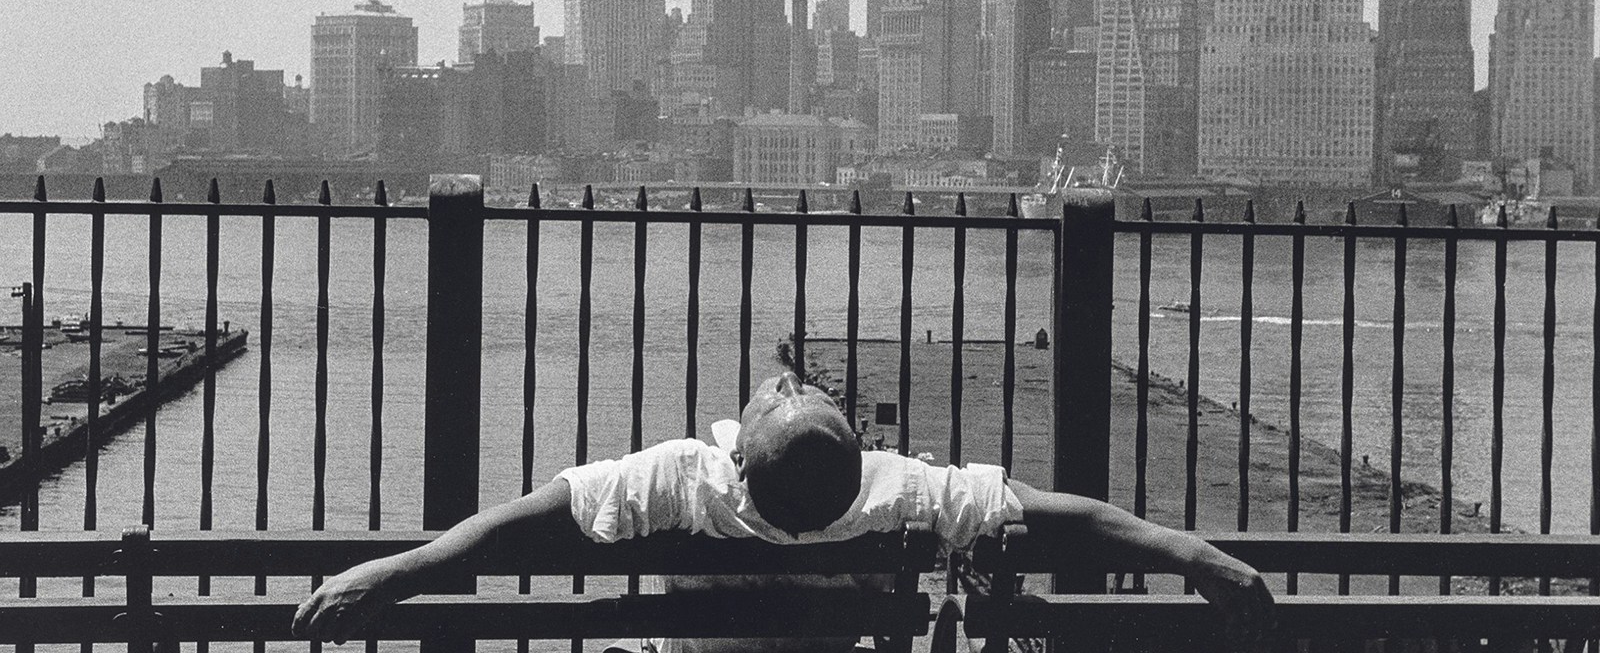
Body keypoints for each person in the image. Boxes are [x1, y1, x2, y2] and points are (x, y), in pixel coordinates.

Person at [293, 371, 1275, 648]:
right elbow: (1060, 517)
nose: (777, 381)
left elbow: (527, 521)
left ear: (739, 457)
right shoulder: (892, 487)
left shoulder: (682, 477)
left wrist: (392, 569)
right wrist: (1192, 551)